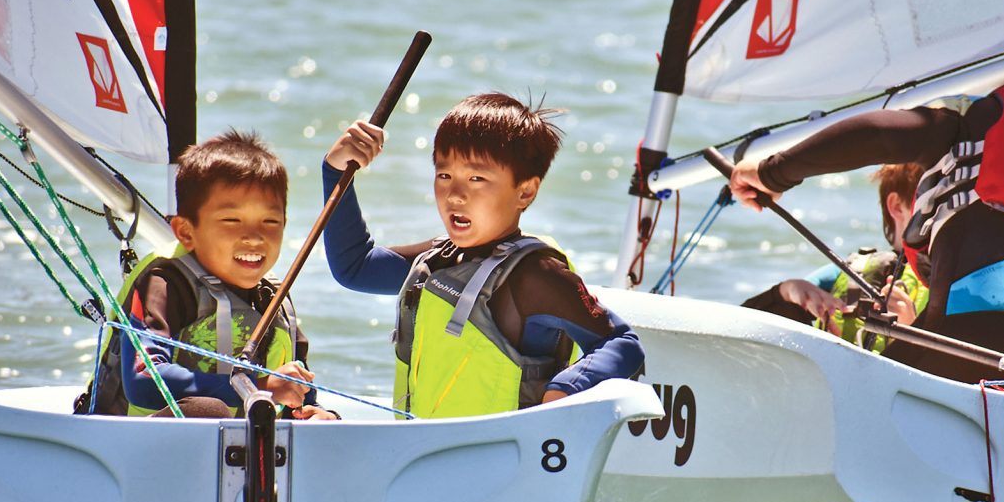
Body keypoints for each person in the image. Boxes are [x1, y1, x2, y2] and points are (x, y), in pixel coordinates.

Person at [730, 66, 1004, 384]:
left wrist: (773, 173)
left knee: (853, 392)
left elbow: (876, 133)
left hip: (973, 340)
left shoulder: (982, 119)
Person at [320, 91, 645, 418]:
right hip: (424, 453)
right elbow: (354, 267)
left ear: (525, 191)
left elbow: (621, 342)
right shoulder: (436, 261)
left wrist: (569, 386)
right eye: (444, 175)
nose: (455, 195)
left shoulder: (536, 274)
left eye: (477, 178)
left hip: (505, 461)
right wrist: (336, 172)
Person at [77, 130, 336, 419]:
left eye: (270, 221)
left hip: (234, 451)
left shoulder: (273, 300)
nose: (254, 237)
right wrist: (258, 385)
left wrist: (316, 413)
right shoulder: (163, 284)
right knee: (207, 410)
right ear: (186, 232)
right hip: (131, 444)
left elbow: (297, 391)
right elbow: (143, 381)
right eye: (231, 220)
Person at [742, 163, 927, 353]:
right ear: (897, 206)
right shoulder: (848, 273)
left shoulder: (952, 286)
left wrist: (911, 335)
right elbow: (741, 335)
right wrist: (785, 295)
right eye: (932, 202)